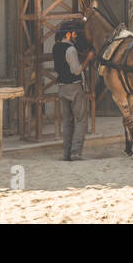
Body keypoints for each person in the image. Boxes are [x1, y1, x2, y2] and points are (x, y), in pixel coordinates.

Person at [53, 19, 89, 161]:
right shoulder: (71, 49)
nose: (75, 36)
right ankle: (76, 152)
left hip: (61, 87)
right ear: (68, 34)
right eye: (73, 33)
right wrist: (88, 59)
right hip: (74, 87)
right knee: (81, 120)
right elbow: (76, 70)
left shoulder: (55, 47)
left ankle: (66, 153)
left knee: (67, 121)